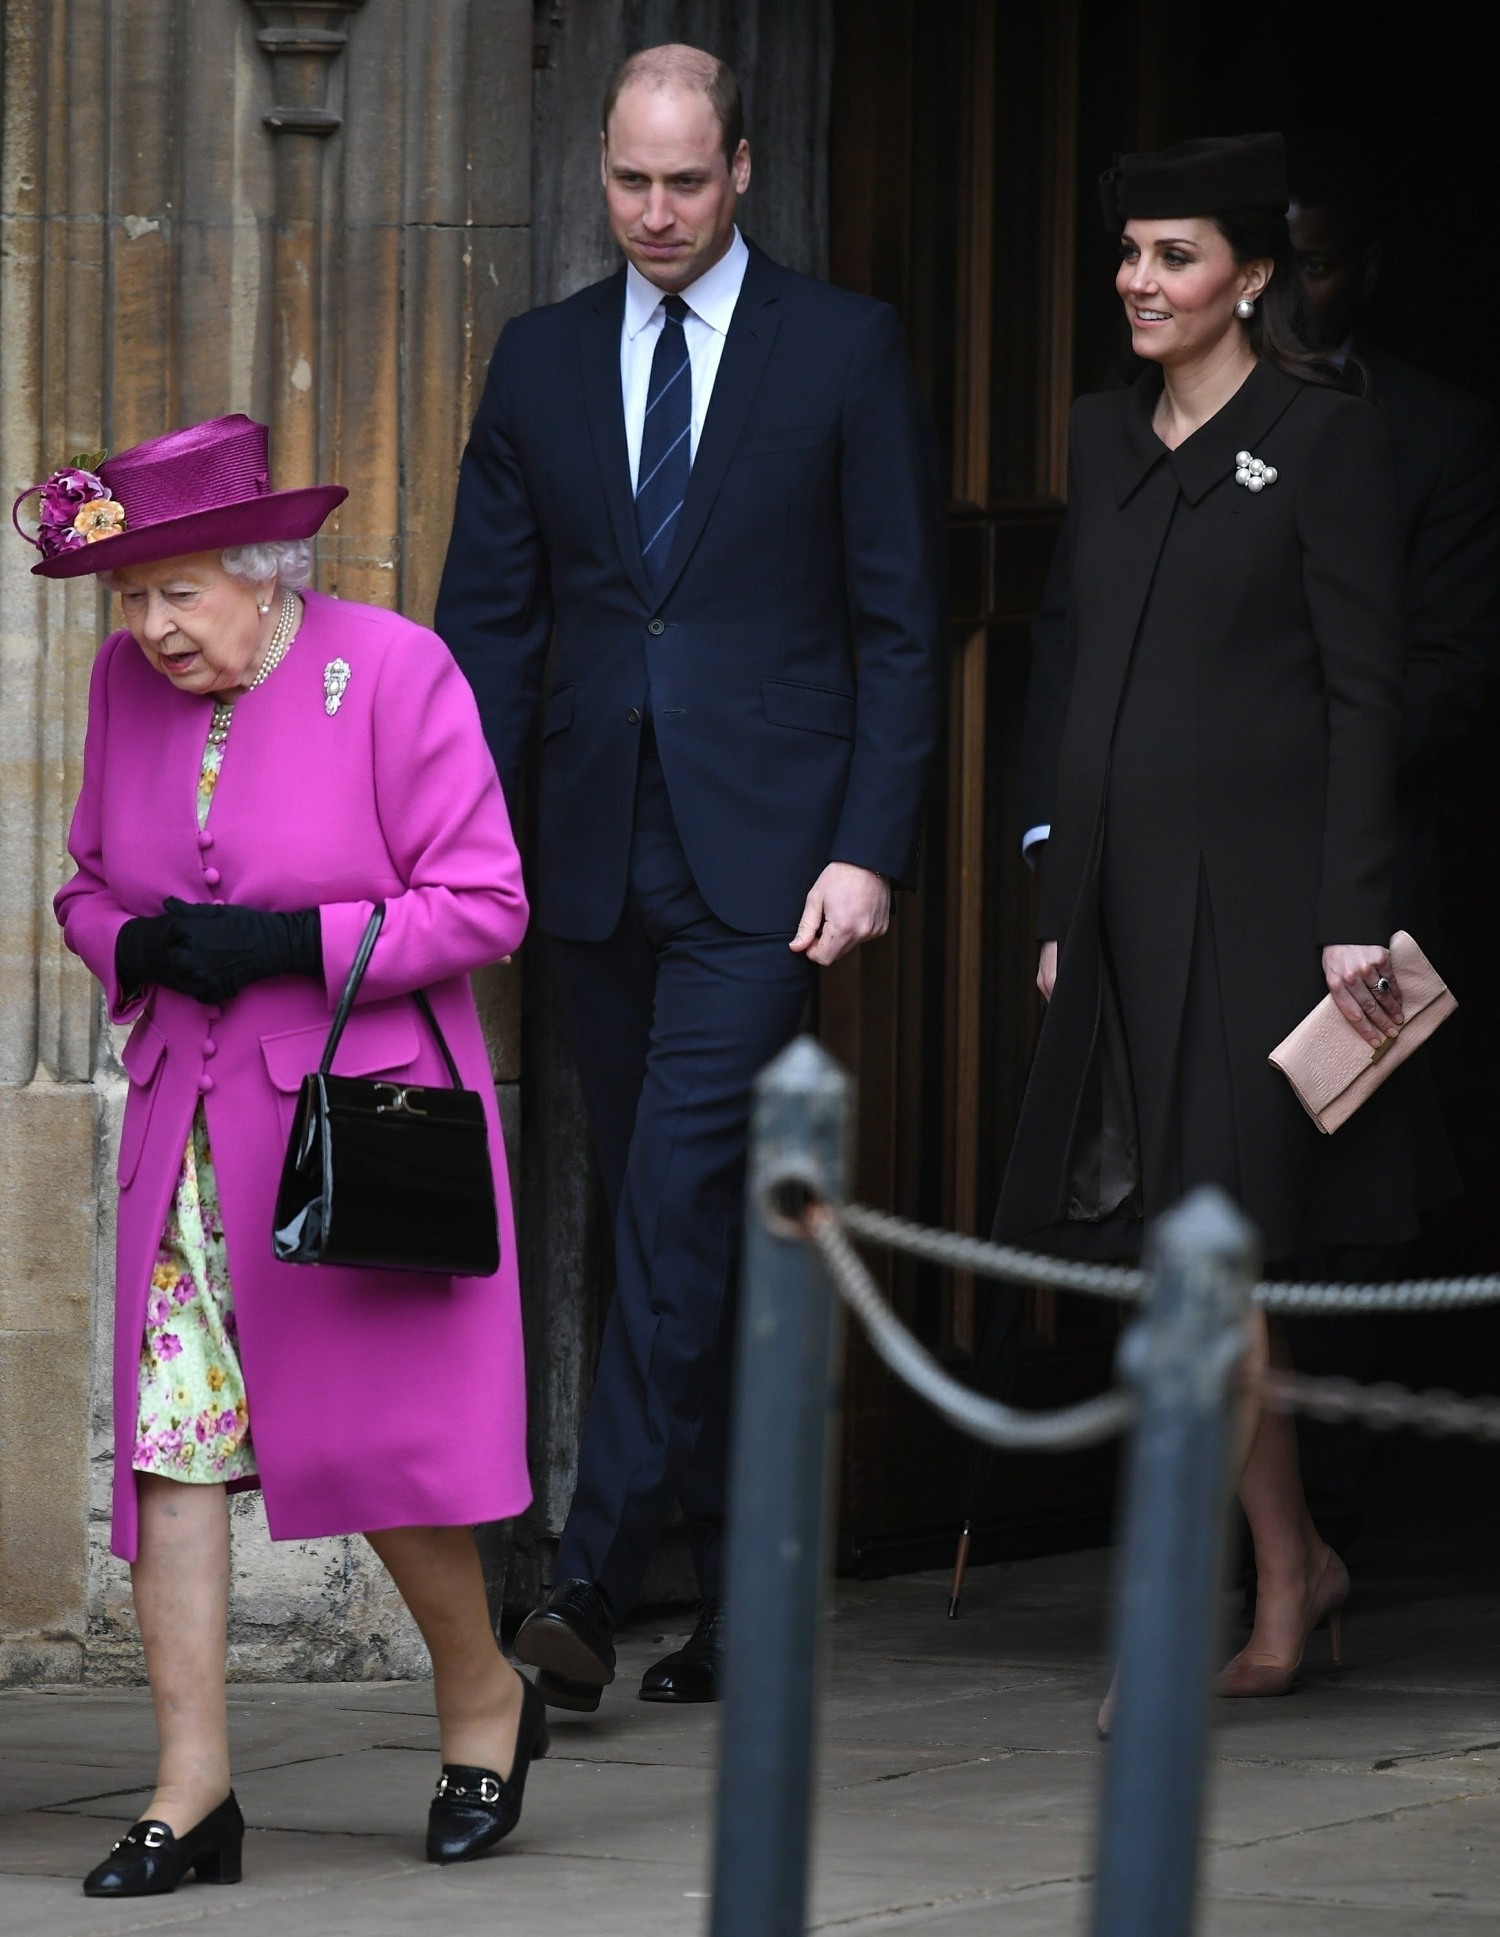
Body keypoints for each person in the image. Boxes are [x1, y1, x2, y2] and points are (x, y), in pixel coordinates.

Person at [435, 43, 943, 1711]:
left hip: (770, 860)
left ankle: (584, 1579)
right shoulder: (539, 361)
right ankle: (736, 1599)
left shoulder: (845, 348)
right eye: (627, 180)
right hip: (586, 852)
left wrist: (870, 842)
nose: (652, 213)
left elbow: (897, 622)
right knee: (693, 1220)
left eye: (684, 181)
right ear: (604, 166)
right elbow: (489, 630)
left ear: (742, 174)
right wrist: (457, 843)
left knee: (666, 1191)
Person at [35, 415, 542, 1893]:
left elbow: (485, 901)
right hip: (183, 1124)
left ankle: (483, 1696)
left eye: (181, 590)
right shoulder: (122, 685)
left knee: (373, 1450)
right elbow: (79, 881)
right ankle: (191, 1791)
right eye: (133, 597)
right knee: (173, 1451)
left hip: (345, 1132)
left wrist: (295, 941)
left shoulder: (390, 668)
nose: (153, 627)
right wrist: (129, 938)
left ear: (266, 573)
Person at [994, 134, 1455, 1719]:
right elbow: (1074, 671)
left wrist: (1352, 920)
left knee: (1214, 1267)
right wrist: (1061, 900)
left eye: (1174, 255)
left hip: (1268, 919)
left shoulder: (1322, 439)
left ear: (1250, 274)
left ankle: (1228, 1591)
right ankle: (1289, 1561)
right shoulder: (1098, 431)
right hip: (1119, 912)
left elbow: (1363, 690)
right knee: (1184, 1270)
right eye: (1127, 253)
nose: (1138, 280)